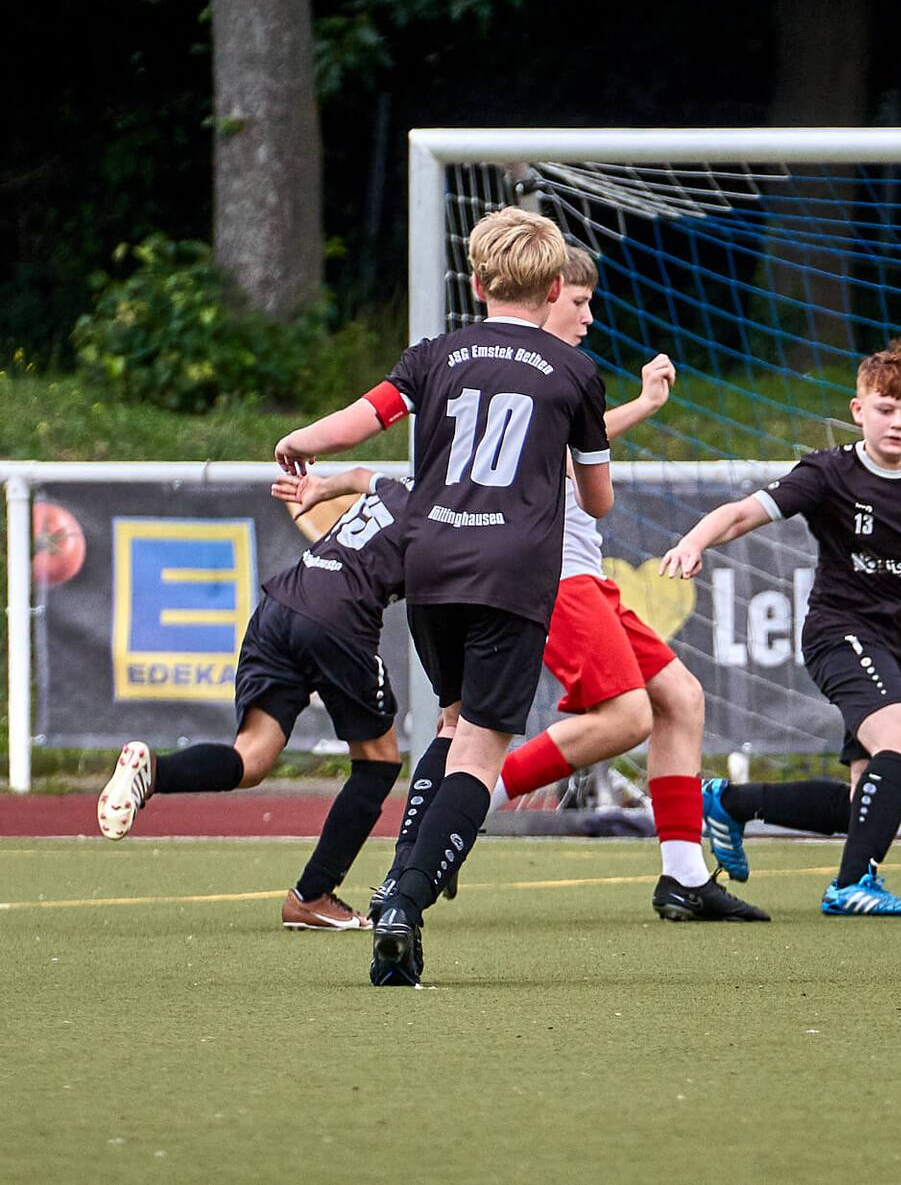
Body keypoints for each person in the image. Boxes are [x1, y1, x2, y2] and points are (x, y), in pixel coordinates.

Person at [276, 206, 611, 985]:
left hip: (431, 565)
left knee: (453, 721)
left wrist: (297, 442)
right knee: (482, 752)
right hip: (511, 574)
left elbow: (359, 423)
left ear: (477, 282)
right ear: (555, 287)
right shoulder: (574, 373)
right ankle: (406, 897)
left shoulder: (436, 354)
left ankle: (405, 869)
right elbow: (596, 501)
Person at [661, 342, 901, 918]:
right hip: (838, 633)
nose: (897, 422)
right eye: (885, 409)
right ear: (859, 410)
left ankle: (730, 802)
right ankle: (852, 885)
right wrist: (693, 542)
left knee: (868, 802)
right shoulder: (829, 473)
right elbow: (742, 512)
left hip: (899, 642)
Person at [489, 245, 764, 922]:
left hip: (582, 572)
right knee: (628, 717)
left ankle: (684, 876)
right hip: (549, 575)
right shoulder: (527, 367)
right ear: (548, 294)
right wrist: (643, 405)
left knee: (681, 699)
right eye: (580, 302)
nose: (589, 317)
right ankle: (472, 797)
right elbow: (559, 453)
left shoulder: (560, 369)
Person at [96, 467, 409, 933]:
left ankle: (154, 772)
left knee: (251, 759)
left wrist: (322, 486)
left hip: (281, 604)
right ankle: (312, 895)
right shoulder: (450, 515)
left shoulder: (399, 485)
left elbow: (363, 475)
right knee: (378, 761)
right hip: (336, 619)